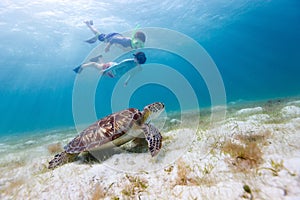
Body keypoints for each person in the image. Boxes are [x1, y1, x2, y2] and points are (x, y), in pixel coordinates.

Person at [73, 52, 147, 86]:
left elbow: (132, 74)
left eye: (136, 58)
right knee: (94, 65)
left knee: (101, 68)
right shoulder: (127, 62)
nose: (134, 58)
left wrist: (126, 81)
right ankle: (81, 67)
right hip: (110, 68)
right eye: (135, 57)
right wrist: (105, 70)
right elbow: (116, 66)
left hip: (113, 75)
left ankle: (99, 57)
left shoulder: (138, 68)